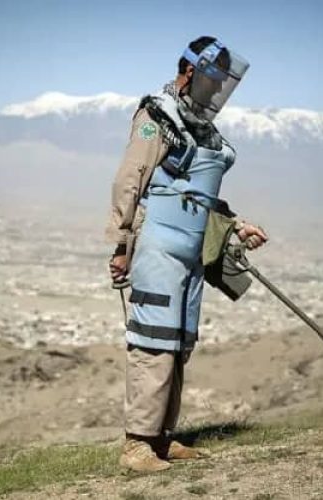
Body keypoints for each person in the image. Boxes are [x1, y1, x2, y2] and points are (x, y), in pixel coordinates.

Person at [106, 36, 268, 472]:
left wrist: (237, 224)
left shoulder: (204, 130)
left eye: (222, 82)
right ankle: (136, 445)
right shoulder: (155, 117)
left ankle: (161, 436)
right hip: (158, 246)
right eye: (212, 80)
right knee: (153, 342)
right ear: (191, 72)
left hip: (192, 253)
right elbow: (130, 180)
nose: (217, 90)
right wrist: (121, 245)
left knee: (179, 344)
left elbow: (202, 195)